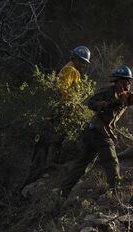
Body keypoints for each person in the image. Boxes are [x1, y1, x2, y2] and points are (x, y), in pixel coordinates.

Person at [60, 65, 133, 198]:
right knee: (111, 162)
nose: (128, 84)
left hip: (97, 133)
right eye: (126, 81)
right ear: (118, 81)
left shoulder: (127, 97)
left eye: (129, 81)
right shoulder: (107, 92)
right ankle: (116, 195)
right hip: (99, 132)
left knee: (83, 164)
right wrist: (106, 104)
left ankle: (63, 192)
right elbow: (91, 102)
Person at [23, 46, 91, 190]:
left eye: (85, 62)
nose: (84, 65)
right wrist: (70, 105)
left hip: (63, 109)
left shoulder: (74, 71)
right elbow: (62, 90)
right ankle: (43, 170)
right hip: (60, 110)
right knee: (53, 138)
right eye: (83, 62)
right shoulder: (70, 70)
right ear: (76, 59)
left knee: (57, 138)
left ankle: (46, 168)